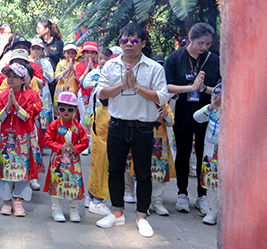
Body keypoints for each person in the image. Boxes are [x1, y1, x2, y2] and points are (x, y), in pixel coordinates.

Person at [95, 23, 169, 238]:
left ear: (143, 43)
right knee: (115, 171)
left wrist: (137, 87)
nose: (129, 44)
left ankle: (142, 216)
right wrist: (123, 85)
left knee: (144, 174)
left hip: (144, 127)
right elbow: (101, 93)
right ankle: (117, 213)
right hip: (117, 125)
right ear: (120, 42)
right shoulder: (110, 65)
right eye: (125, 40)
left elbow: (162, 97)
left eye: (134, 40)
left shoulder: (154, 68)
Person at [164, 22, 220, 215]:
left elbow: (224, 89)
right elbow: (167, 87)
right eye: (200, 43)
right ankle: (182, 194)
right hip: (183, 112)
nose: (204, 48)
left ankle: (202, 196)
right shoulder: (175, 59)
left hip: (208, 114)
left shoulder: (214, 60)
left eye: (208, 44)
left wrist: (204, 88)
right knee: (183, 153)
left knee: (205, 155)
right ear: (190, 38)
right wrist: (191, 88)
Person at [0, 63, 42, 216]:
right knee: (6, 167)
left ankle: (18, 200)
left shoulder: (30, 95)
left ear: (23, 80)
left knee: (22, 167)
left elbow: (29, 116)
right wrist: (9, 105)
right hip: (6, 137)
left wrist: (16, 104)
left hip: (22, 137)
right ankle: (6, 200)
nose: (10, 79)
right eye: (9, 76)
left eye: (15, 76)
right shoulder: (2, 96)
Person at [44, 91, 90, 222]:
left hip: (73, 161)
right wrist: (59, 147)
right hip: (57, 159)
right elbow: (47, 140)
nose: (66, 112)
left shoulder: (77, 127)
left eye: (70, 109)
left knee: (73, 183)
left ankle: (74, 209)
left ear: (75, 110)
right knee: (56, 182)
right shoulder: (54, 125)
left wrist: (75, 149)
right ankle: (56, 208)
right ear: (57, 109)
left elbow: (85, 142)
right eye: (62, 108)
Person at [84, 46, 113, 216]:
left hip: (109, 117)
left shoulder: (115, 73)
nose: (103, 62)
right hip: (98, 114)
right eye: (101, 58)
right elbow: (85, 82)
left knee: (103, 161)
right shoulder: (96, 72)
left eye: (106, 58)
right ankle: (95, 198)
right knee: (99, 159)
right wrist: (97, 83)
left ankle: (93, 196)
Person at [193, 85, 221, 225]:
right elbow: (197, 117)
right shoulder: (212, 111)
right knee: (211, 181)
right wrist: (212, 106)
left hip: (226, 153)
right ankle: (212, 210)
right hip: (211, 153)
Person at [36, 20, 64, 100]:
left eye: (39, 28)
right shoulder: (38, 42)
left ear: (46, 29)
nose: (37, 30)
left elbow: (63, 59)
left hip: (54, 78)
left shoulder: (58, 43)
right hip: (41, 77)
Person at [54, 44, 79, 109]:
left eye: (72, 53)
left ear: (76, 54)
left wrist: (73, 69)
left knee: (72, 110)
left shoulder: (78, 64)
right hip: (60, 89)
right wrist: (67, 70)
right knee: (60, 110)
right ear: (64, 53)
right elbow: (56, 77)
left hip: (73, 90)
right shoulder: (60, 63)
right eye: (68, 53)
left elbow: (79, 79)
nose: (70, 55)